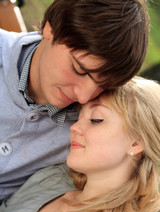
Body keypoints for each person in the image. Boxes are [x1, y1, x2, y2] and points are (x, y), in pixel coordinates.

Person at [0, 0, 149, 201]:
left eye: (102, 86)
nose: (84, 97)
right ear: (50, 28)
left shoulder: (88, 132)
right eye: (79, 70)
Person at [0, 76, 160, 212]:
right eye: (79, 117)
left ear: (136, 142)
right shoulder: (53, 177)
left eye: (95, 120)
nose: (75, 127)